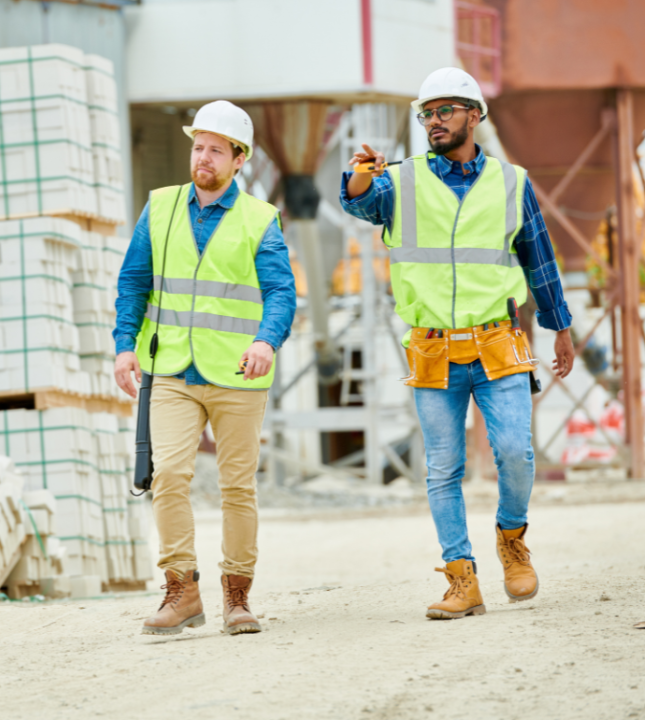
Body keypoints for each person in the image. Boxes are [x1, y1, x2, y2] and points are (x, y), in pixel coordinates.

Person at [341, 68, 576, 619]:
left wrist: (561, 328)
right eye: (427, 113)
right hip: (432, 348)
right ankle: (461, 578)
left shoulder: (512, 182)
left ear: (475, 115)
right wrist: (357, 178)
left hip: (498, 341)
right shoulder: (398, 182)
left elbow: (539, 260)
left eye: (445, 110)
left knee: (516, 453)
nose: (434, 121)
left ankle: (511, 541)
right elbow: (360, 203)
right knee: (442, 468)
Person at [113, 100, 296, 636]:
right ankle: (181, 590)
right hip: (170, 368)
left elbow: (281, 292)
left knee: (237, 487)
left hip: (238, 373)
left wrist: (266, 340)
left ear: (239, 159)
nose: (203, 157)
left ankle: (237, 597)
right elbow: (133, 281)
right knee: (168, 475)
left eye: (216, 150)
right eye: (198, 147)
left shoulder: (259, 219)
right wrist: (126, 346)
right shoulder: (162, 207)